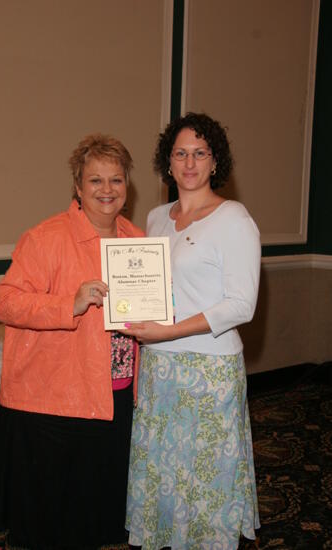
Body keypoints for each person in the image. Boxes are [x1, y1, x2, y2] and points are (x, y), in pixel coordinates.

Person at [0, 134, 144, 550]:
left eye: (116, 180)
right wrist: (67, 304)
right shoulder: (46, 237)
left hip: (116, 393)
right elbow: (6, 302)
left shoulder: (137, 240)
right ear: (78, 186)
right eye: (95, 181)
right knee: (55, 516)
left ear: (128, 185)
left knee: (99, 508)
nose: (107, 190)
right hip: (57, 399)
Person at [123, 113, 261, 549]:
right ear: (168, 161)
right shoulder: (157, 217)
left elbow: (242, 305)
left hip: (209, 371)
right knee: (165, 471)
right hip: (160, 371)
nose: (189, 162)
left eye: (200, 153)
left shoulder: (233, 218)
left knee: (204, 477)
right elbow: (153, 287)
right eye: (180, 152)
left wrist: (169, 332)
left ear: (215, 161)